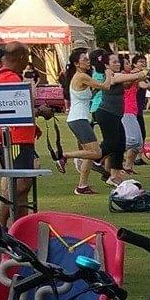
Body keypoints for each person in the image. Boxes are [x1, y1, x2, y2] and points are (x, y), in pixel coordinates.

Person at [0, 45, 40, 215]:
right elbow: (15, 111)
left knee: (22, 189)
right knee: (19, 185)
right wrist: (39, 111)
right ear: (21, 57)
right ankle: (2, 224)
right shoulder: (9, 78)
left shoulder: (7, 76)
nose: (28, 62)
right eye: (27, 57)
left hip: (19, 138)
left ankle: (20, 226)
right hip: (16, 140)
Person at [94, 50, 145, 186]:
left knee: (120, 144)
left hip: (116, 115)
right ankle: (91, 158)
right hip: (106, 113)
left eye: (118, 62)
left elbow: (127, 83)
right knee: (111, 143)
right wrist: (140, 73)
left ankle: (114, 176)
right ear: (106, 65)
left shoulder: (116, 75)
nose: (118, 64)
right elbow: (130, 77)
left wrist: (135, 76)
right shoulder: (111, 75)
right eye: (114, 62)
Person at [62, 47, 103, 195]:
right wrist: (109, 73)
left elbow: (92, 92)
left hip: (81, 118)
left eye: (88, 59)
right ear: (76, 63)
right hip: (78, 119)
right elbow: (105, 86)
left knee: (89, 154)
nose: (88, 62)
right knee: (96, 153)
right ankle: (64, 156)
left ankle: (82, 186)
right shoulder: (81, 76)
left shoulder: (80, 77)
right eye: (84, 59)